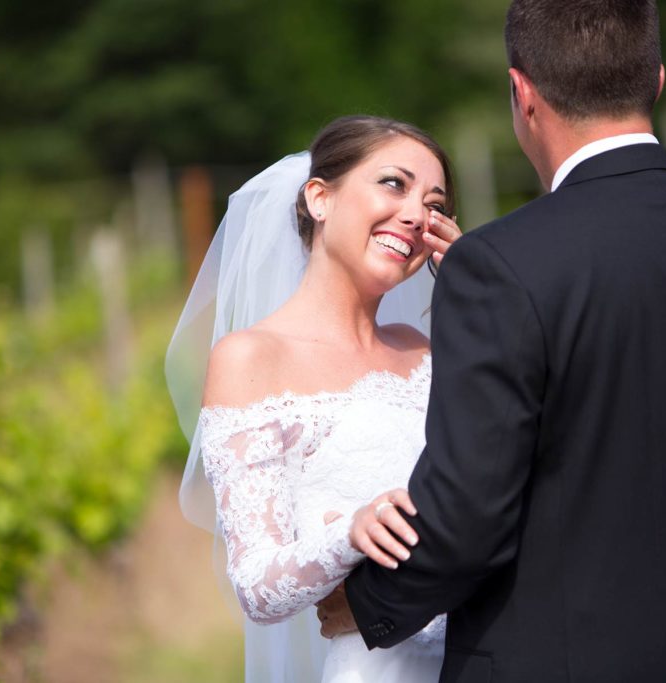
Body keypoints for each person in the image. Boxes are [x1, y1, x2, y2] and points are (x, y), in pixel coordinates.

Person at [319, 1, 666, 681]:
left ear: (522, 94)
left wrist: (361, 604)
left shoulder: (498, 266)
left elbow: (465, 522)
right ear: (656, 80)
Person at [166, 115, 464, 682]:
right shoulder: (250, 359)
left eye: (435, 204)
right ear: (320, 198)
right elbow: (257, 586)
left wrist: (477, 297)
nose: (416, 214)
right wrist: (348, 532)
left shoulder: (430, 352)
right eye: (394, 184)